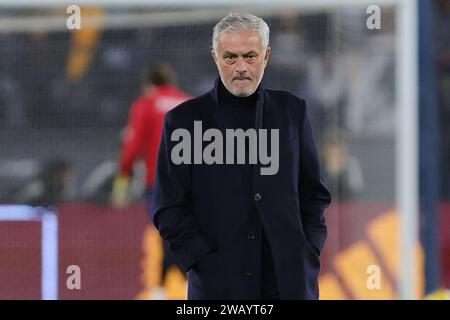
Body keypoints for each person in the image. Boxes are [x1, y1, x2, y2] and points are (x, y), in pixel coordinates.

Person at [151, 13, 331, 300]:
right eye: (230, 57)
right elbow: (168, 206)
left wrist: (308, 249)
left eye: (250, 56)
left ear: (266, 56)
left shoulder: (292, 111)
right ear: (215, 58)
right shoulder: (183, 121)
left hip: (291, 283)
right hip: (217, 287)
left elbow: (314, 192)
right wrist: (202, 261)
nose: (241, 67)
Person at [111, 62, 191, 298]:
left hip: (160, 180)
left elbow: (132, 146)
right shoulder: (190, 103)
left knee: (166, 232)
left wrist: (122, 181)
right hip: (192, 182)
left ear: (149, 85)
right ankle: (179, 283)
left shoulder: (145, 105)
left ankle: (163, 287)